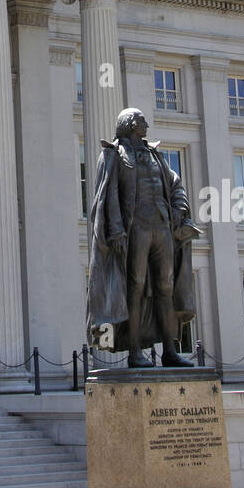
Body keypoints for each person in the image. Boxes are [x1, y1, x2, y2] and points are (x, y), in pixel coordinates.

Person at [86, 107, 200, 368]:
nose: (146, 124)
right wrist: (116, 230)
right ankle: (135, 351)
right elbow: (107, 196)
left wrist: (178, 211)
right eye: (141, 121)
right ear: (130, 124)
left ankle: (170, 351)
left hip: (162, 228)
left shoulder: (154, 155)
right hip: (135, 229)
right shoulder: (113, 155)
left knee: (166, 288)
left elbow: (174, 185)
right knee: (134, 288)